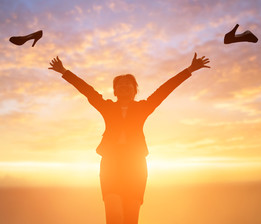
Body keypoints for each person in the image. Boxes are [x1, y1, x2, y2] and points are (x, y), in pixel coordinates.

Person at [49, 53, 210, 224]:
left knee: (130, 219)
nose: (124, 86)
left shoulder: (143, 107)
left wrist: (189, 70)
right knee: (114, 216)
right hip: (111, 164)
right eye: (120, 85)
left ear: (134, 90)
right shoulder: (107, 107)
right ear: (115, 91)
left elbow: (164, 90)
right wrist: (64, 72)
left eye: (128, 85)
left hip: (136, 165)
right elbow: (87, 90)